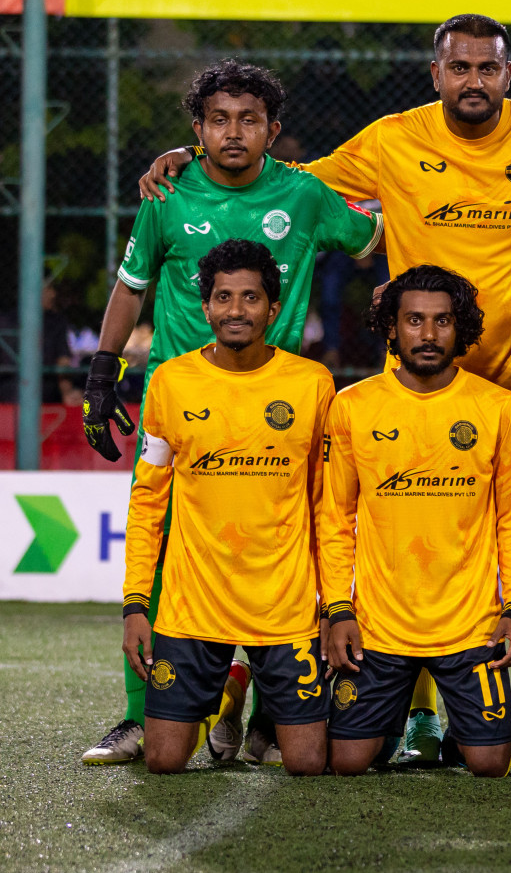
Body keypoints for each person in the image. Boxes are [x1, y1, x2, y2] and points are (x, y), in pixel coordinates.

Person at [142, 15, 511, 764]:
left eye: (487, 69)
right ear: (436, 75)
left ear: (507, 74)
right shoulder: (393, 137)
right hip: (419, 384)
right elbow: (288, 181)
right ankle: (410, 713)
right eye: (459, 68)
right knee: (406, 546)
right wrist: (194, 160)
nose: (473, 81)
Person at [81, 61, 381, 767]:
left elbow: (374, 238)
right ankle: (136, 714)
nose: (233, 132)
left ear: (273, 131)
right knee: (158, 562)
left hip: (282, 406)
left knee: (297, 548)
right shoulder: (168, 192)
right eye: (218, 120)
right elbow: (132, 287)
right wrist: (103, 370)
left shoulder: (305, 195)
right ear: (197, 129)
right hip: (182, 408)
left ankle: (267, 700)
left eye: (249, 119)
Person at [120, 240, 333, 776]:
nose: (236, 310)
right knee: (164, 760)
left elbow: (328, 505)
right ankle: (230, 694)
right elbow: (148, 500)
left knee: (308, 763)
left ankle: (243, 689)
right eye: (223, 298)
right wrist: (135, 604)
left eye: (250, 298)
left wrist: (334, 607)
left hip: (282, 603)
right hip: (194, 604)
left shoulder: (312, 385)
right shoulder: (170, 382)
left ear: (274, 309)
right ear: (205, 307)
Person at [319, 265, 511, 778]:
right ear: (391, 326)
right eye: (414, 320)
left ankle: (463, 728)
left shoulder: (498, 407)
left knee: (489, 764)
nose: (429, 335)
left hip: (469, 626)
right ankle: (394, 722)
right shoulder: (352, 407)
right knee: (347, 763)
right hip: (379, 625)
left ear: (461, 328)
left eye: (442, 321)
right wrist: (339, 609)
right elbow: (334, 517)